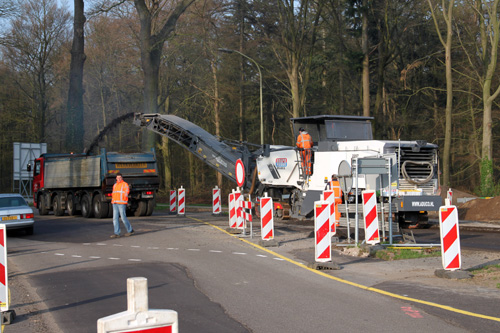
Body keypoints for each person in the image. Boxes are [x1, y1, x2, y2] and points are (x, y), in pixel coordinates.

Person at [111, 173, 134, 238]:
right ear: (116, 178)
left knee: (123, 218)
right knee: (115, 219)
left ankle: (130, 230)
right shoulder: (115, 185)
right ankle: (117, 233)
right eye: (118, 178)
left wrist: (125, 197)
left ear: (122, 178)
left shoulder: (125, 184)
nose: (119, 179)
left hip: (121, 203)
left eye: (120, 178)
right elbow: (114, 194)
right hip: (115, 203)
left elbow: (126, 192)